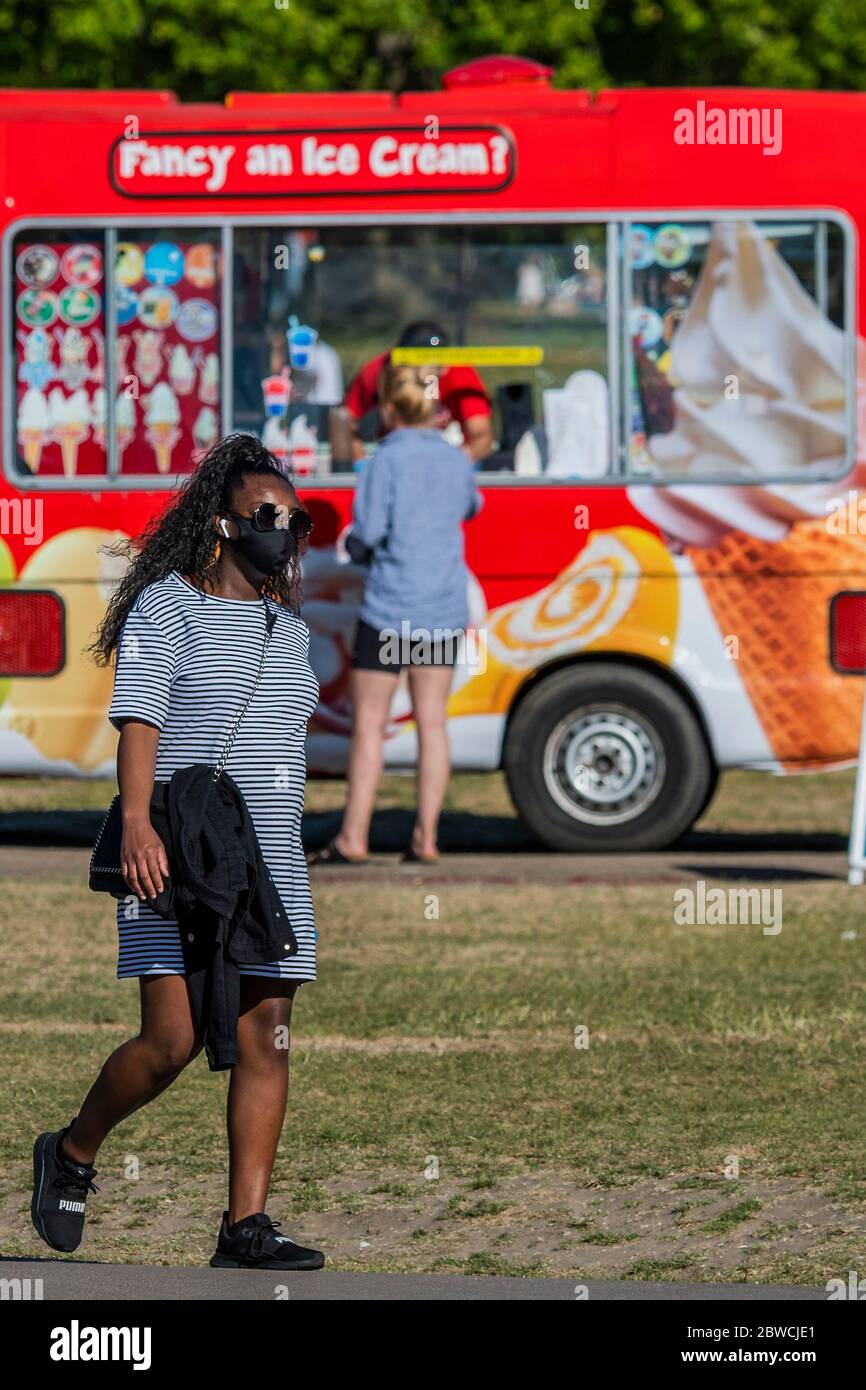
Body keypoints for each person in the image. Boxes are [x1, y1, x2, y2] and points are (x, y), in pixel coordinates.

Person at [30, 435, 326, 1272]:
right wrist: (135, 823)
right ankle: (74, 1151)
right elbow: (141, 723)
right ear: (225, 523)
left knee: (268, 1031)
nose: (285, 530)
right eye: (269, 515)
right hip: (167, 846)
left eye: (295, 520)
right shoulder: (167, 606)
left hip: (268, 864)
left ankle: (245, 1229)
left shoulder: (290, 633)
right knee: (170, 1039)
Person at [314, 364, 483, 865]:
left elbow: (368, 531)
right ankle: (426, 838)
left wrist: (356, 550)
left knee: (368, 726)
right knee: (433, 723)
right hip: (442, 611)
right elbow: (470, 508)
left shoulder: (384, 462)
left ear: (388, 409)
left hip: (390, 611)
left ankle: (354, 837)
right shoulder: (457, 461)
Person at [343, 321, 494, 463]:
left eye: (437, 363)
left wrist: (450, 468)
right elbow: (344, 423)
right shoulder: (381, 372)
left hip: (450, 458)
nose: (433, 371)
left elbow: (482, 437)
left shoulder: (460, 373)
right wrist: (362, 467)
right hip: (394, 458)